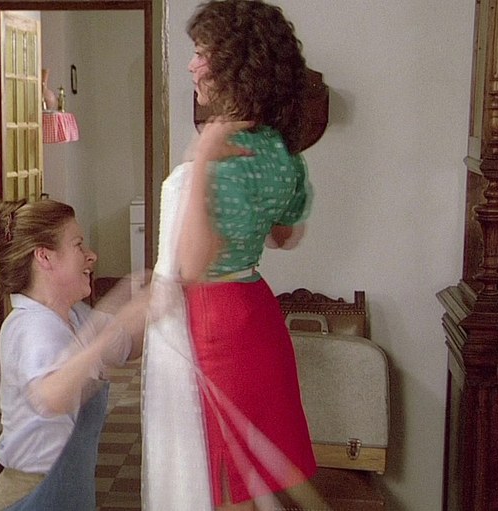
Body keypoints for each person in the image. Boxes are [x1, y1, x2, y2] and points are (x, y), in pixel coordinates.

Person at [142, 1, 322, 510]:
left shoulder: (217, 156)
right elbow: (285, 236)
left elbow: (191, 266)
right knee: (262, 466)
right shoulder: (283, 153)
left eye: (201, 53)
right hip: (257, 312)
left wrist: (200, 158)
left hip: (213, 321)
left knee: (226, 475)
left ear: (235, 67)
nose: (191, 65)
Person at [0, 199, 146, 511]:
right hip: (33, 497)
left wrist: (159, 299)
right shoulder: (30, 327)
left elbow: (127, 343)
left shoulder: (74, 316)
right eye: (78, 244)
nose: (91, 255)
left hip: (67, 492)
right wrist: (114, 324)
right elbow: (53, 395)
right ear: (44, 256)